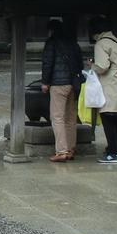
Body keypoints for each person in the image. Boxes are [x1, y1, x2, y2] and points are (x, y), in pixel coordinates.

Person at [89, 16, 117, 164]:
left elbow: (102, 66)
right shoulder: (116, 41)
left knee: (108, 117)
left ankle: (113, 153)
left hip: (111, 84)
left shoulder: (101, 43)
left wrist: (91, 66)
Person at [41, 19, 83, 162]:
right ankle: (70, 149)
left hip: (58, 84)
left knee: (57, 117)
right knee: (71, 117)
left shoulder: (51, 43)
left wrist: (45, 82)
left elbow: (48, 63)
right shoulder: (72, 42)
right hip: (73, 84)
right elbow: (80, 62)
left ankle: (62, 151)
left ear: (51, 30)